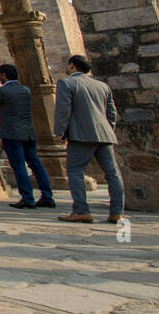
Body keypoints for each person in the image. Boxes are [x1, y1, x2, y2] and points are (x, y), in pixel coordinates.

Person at [53, 54, 124, 224]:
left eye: (68, 64)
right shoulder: (102, 86)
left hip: (80, 135)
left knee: (75, 171)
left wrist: (60, 132)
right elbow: (111, 113)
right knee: (113, 174)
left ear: (72, 66)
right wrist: (107, 129)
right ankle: (116, 212)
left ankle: (81, 210)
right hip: (104, 134)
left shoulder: (67, 82)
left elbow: (63, 110)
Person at [0, 64, 54, 210]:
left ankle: (27, 198)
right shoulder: (25, 90)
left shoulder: (3, 91)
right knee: (36, 165)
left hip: (12, 133)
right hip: (28, 132)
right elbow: (6, 96)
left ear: (4, 75)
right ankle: (47, 196)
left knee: (19, 166)